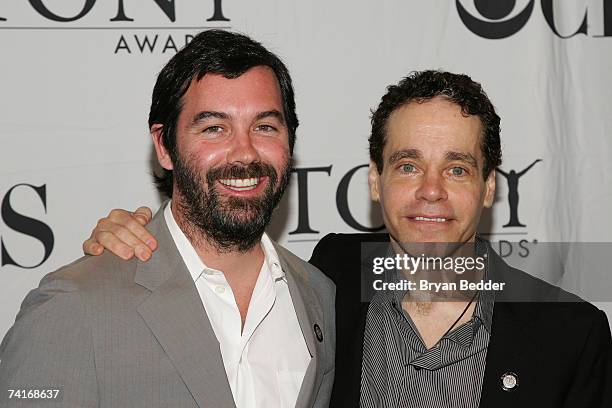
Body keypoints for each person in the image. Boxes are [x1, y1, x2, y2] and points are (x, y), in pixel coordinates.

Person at [82, 71, 611, 407]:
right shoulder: (330, 273)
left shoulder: (568, 334)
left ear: (489, 186)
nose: (431, 192)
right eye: (408, 166)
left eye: (456, 169)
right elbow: (215, 260)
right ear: (376, 182)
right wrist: (139, 238)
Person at [0, 30, 335, 408]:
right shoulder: (73, 307)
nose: (245, 153)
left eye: (265, 127)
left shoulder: (319, 296)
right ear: (164, 146)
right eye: (214, 128)